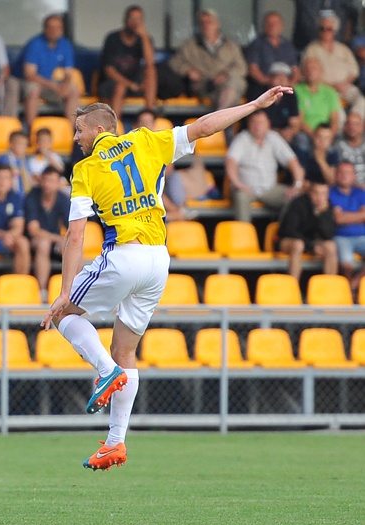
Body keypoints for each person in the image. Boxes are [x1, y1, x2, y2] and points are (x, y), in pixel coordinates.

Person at [40, 85, 296, 471]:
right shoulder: (147, 141)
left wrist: (63, 291)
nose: (75, 138)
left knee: (64, 316)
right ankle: (115, 443)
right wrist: (255, 105)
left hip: (123, 253)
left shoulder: (85, 169)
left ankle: (105, 371)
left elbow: (75, 235)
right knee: (126, 350)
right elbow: (205, 127)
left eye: (78, 130)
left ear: (97, 129)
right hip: (159, 260)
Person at [225, 110, 305, 223]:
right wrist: (238, 183)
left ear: (268, 124)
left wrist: (297, 185)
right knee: (240, 196)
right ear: (249, 124)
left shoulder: (274, 138)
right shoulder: (241, 139)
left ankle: (283, 234)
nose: (258, 126)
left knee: (295, 197)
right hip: (246, 188)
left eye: (261, 122)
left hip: (269, 189)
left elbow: (293, 162)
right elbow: (231, 162)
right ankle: (244, 234)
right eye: (254, 122)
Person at [168, 9, 247, 112]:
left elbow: (242, 68)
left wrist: (225, 75)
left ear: (217, 24)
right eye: (202, 23)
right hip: (205, 85)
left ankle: (220, 115)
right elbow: (174, 62)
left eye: (209, 22)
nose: (206, 25)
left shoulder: (230, 45)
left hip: (227, 83)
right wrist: (187, 70)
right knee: (231, 94)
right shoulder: (190, 45)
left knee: (233, 84)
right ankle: (223, 122)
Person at [18, 13, 80, 127]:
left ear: (62, 29)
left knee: (73, 89)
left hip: (50, 83)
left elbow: (68, 72)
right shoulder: (35, 43)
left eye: (57, 27)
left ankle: (71, 133)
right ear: (44, 28)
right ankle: (32, 130)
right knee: (33, 89)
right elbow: (30, 74)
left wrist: (65, 84)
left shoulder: (65, 44)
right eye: (50, 27)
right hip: (34, 82)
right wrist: (53, 86)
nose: (54, 30)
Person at [301, 11, 365, 118]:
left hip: (346, 87)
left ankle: (354, 126)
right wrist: (333, 86)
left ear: (335, 31)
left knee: (362, 102)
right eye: (322, 29)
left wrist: (346, 83)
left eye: (329, 29)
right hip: (324, 89)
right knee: (337, 112)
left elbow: (354, 69)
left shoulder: (343, 48)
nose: (325, 32)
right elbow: (307, 74)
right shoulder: (311, 49)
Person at [97, 5, 157, 119]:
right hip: (112, 84)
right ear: (125, 20)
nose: (135, 23)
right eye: (132, 18)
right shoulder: (112, 38)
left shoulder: (144, 39)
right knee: (120, 86)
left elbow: (150, 63)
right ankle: (115, 126)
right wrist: (130, 84)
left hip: (135, 85)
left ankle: (150, 114)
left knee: (151, 71)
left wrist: (144, 36)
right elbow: (109, 70)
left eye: (139, 19)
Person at [277, 181, 338, 282]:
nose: (319, 197)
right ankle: (293, 287)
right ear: (310, 193)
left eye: (323, 194)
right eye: (316, 193)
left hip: (312, 243)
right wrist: (312, 247)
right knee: (298, 245)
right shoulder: (298, 203)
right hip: (288, 241)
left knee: (331, 246)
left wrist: (321, 215)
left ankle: (329, 287)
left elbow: (328, 235)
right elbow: (290, 230)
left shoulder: (327, 207)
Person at [25, 166, 70, 298]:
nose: (47, 184)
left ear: (58, 183)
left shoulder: (63, 199)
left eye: (51, 181)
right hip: (32, 242)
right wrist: (58, 239)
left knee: (73, 246)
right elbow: (33, 230)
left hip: (54, 241)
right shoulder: (33, 196)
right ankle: (42, 291)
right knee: (43, 243)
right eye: (45, 180)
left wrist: (64, 241)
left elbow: (72, 229)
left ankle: (75, 290)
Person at [245, 11, 300, 100]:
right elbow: (253, 69)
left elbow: (295, 70)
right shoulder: (256, 44)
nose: (272, 26)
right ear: (264, 26)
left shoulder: (288, 45)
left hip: (286, 86)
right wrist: (270, 82)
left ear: (282, 25)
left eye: (275, 23)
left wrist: (291, 83)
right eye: (269, 23)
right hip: (264, 87)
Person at [329, 161, 365, 280]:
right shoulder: (330, 193)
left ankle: (353, 286)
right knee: (347, 264)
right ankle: (348, 290)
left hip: (362, 236)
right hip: (341, 236)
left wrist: (346, 216)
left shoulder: (360, 192)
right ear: (335, 175)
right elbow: (338, 219)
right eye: (340, 172)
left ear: (354, 176)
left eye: (347, 173)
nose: (344, 175)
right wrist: (359, 215)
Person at [295, 57, 343, 142]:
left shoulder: (330, 92)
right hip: (306, 133)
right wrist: (315, 136)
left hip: (326, 132)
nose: (311, 71)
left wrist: (328, 135)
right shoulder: (296, 91)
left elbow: (335, 119)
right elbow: (299, 120)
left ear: (321, 71)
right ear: (303, 72)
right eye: (307, 69)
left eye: (314, 68)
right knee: (301, 140)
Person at [0, 130, 32, 196]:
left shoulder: (25, 161)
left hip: (26, 196)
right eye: (20, 144)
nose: (24, 147)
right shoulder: (4, 160)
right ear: (11, 144)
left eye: (25, 144)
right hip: (10, 195)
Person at [334, 111, 365, 182]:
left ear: (363, 126)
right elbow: (334, 172)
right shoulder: (337, 143)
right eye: (349, 123)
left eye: (356, 124)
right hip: (347, 187)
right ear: (344, 126)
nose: (352, 127)